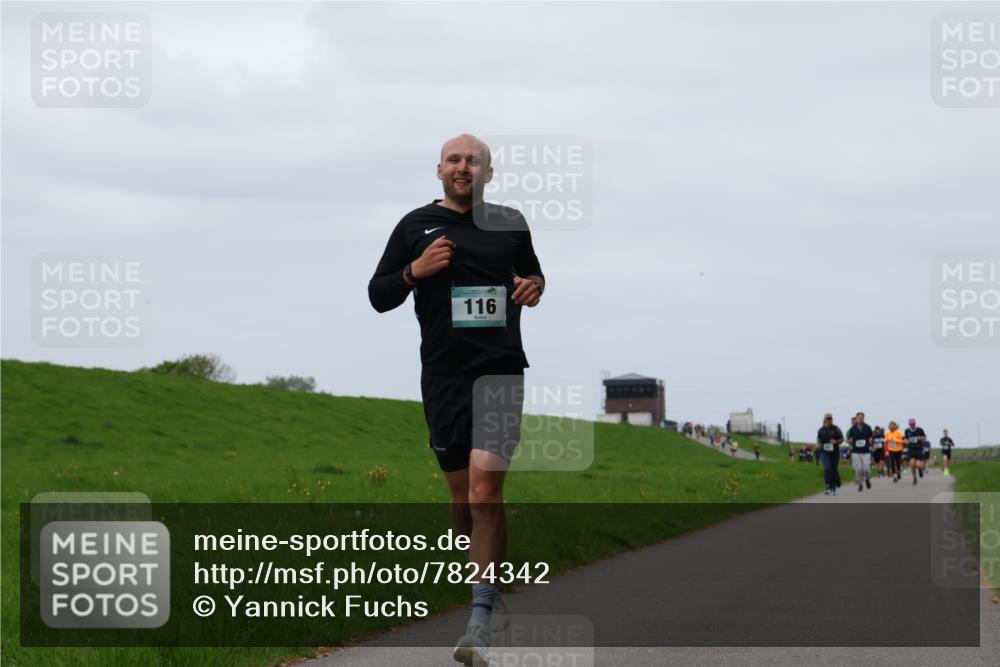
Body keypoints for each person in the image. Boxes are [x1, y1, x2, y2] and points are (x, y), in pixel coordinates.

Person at [368, 134, 545, 665]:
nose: (463, 167)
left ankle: (480, 621)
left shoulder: (509, 222)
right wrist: (412, 272)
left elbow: (534, 275)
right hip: (443, 376)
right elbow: (379, 295)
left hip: (499, 371)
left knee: (486, 491)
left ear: (489, 172)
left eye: (474, 161)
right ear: (439, 170)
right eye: (454, 160)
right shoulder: (414, 227)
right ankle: (485, 582)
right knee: (462, 498)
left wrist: (534, 286)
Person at [816, 413, 844, 496]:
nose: (829, 420)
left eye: (830, 419)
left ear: (832, 420)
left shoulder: (836, 429)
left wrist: (836, 441)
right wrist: (819, 443)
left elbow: (842, 439)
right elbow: (818, 439)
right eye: (827, 419)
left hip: (834, 452)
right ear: (824, 420)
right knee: (827, 468)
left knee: (834, 469)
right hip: (824, 452)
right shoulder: (821, 430)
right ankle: (828, 486)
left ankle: (833, 487)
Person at [847, 411, 873, 491]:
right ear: (856, 419)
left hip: (865, 451)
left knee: (866, 469)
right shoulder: (852, 429)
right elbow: (849, 439)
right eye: (859, 418)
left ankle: (867, 479)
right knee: (858, 469)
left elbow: (871, 437)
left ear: (863, 418)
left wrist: (870, 440)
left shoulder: (868, 427)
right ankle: (860, 484)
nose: (860, 419)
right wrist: (850, 440)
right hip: (856, 452)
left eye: (862, 418)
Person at [905, 418, 927, 484]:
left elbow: (924, 438)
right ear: (909, 424)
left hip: (919, 449)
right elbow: (905, 439)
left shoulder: (920, 430)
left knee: (918, 465)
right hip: (911, 449)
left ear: (915, 423)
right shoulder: (907, 431)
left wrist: (920, 438)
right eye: (911, 424)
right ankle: (914, 478)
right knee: (912, 464)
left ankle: (920, 470)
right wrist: (907, 441)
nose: (912, 425)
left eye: (913, 424)